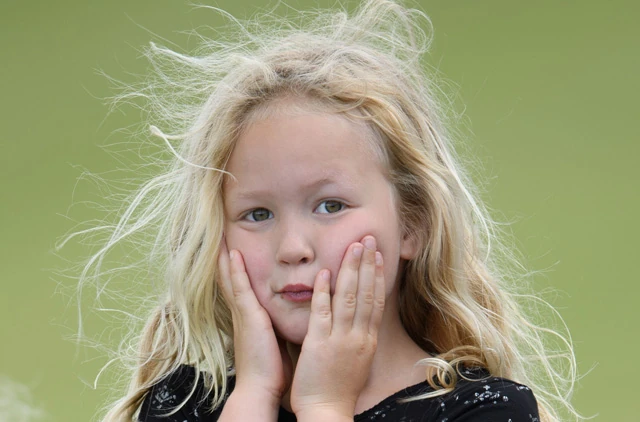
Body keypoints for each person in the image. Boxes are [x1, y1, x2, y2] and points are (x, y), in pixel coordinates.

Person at [78, 0, 579, 420]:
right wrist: (253, 394)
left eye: (330, 205)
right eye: (258, 214)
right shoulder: (184, 403)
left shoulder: (483, 410)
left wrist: (324, 405)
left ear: (413, 224)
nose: (293, 248)